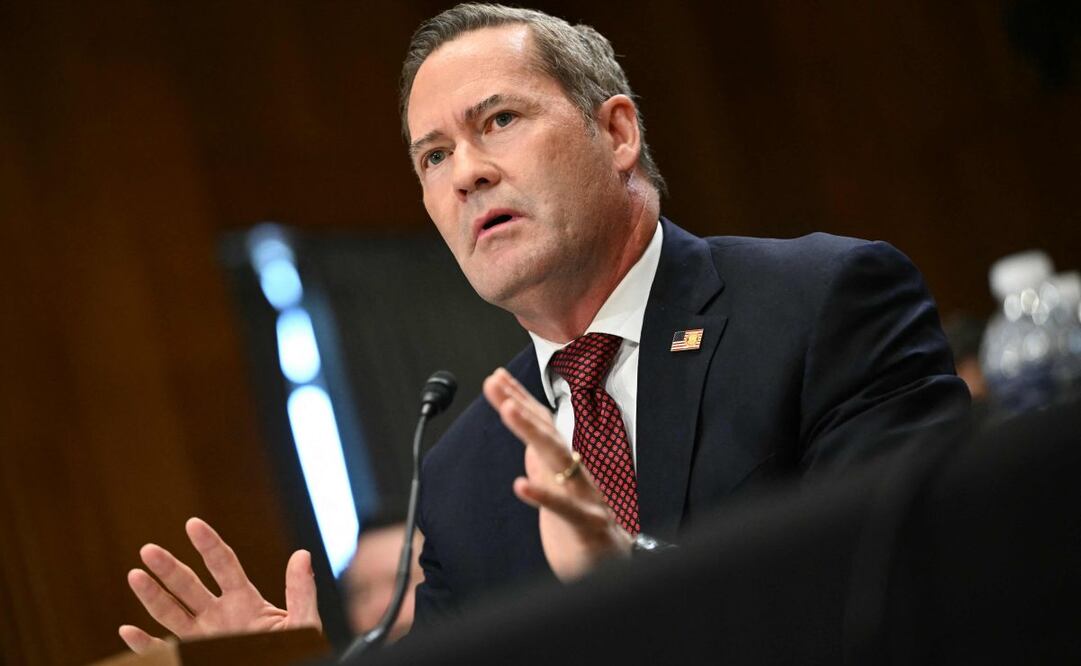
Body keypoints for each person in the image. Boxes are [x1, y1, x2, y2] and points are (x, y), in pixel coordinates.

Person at [119, 3, 968, 652]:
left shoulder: (820, 304)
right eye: (433, 156)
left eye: (498, 121)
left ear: (617, 132)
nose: (467, 174)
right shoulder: (462, 476)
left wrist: (629, 583)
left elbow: (920, 595)